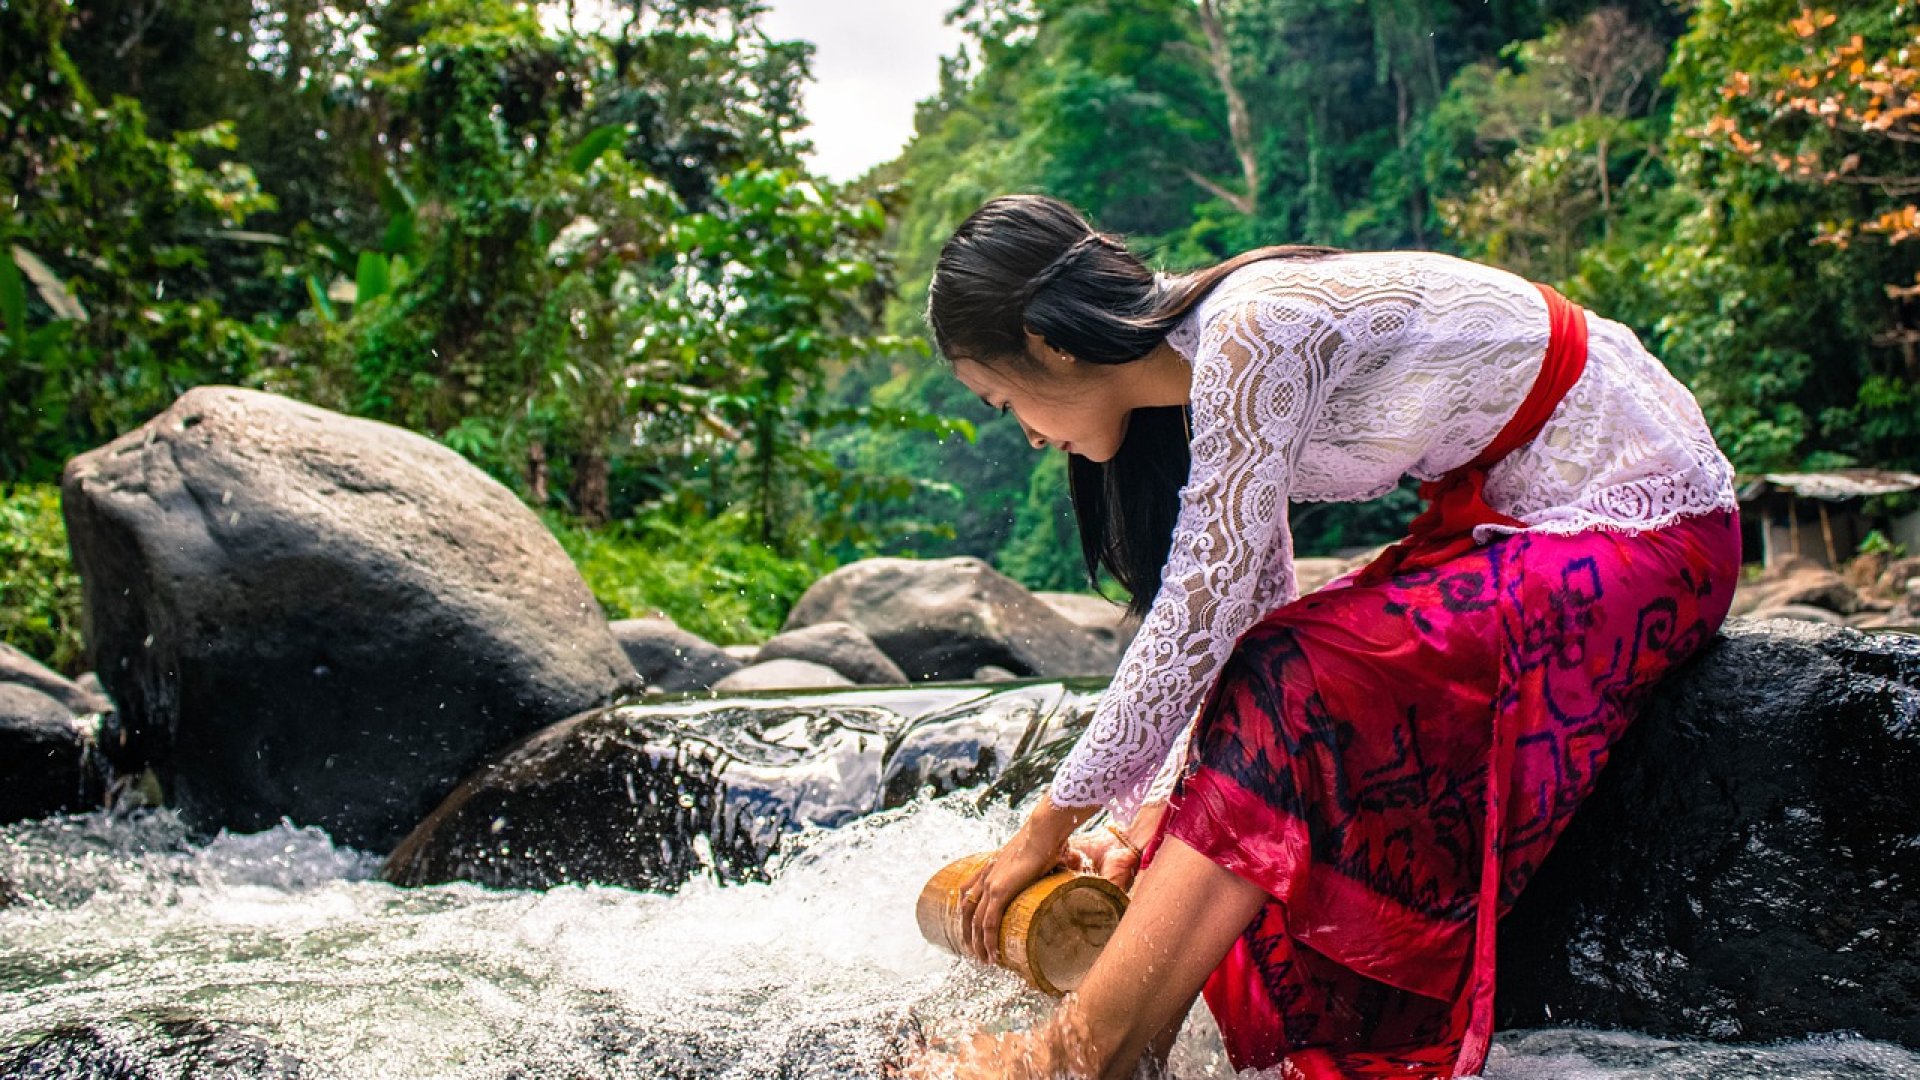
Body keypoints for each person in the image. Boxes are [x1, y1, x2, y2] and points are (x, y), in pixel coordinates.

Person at [907, 194, 1741, 1080]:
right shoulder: (1201, 376)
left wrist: (1049, 824)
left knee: (1298, 679)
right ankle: (1137, 1032)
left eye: (1005, 402)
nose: (1030, 434)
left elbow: (1208, 616)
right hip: (1527, 526)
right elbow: (1243, 614)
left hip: (1642, 530)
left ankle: (1080, 1055)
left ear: (1049, 343)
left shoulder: (1250, 332)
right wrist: (1145, 817)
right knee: (1283, 669)